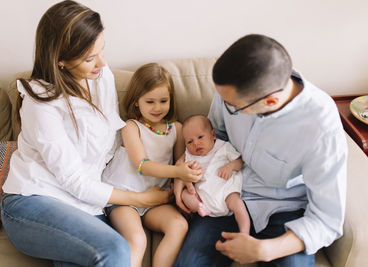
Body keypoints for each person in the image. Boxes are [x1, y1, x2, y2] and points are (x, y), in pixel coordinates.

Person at [0, 1, 171, 266]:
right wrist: (140, 199)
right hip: (34, 202)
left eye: (102, 50)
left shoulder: (102, 78)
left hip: (87, 206)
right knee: (114, 249)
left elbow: (109, 148)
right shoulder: (40, 105)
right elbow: (73, 180)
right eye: (90, 58)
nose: (102, 62)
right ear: (60, 60)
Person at [173, 34, 348, 267]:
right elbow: (215, 135)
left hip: (285, 212)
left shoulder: (321, 127)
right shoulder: (232, 91)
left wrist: (267, 249)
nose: (225, 105)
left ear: (271, 102)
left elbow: (327, 220)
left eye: (232, 106)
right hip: (224, 196)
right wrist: (180, 172)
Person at [101, 63, 202, 267]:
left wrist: (183, 175)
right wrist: (178, 170)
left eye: (163, 101)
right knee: (137, 239)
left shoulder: (177, 129)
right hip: (124, 198)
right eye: (150, 101)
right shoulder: (131, 127)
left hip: (156, 197)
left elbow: (180, 160)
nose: (157, 108)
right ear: (137, 102)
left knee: (178, 225)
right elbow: (142, 165)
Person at [179, 115, 250, 234]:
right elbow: (184, 175)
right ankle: (199, 207)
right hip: (203, 197)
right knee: (185, 194)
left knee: (239, 206)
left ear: (213, 134)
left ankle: (244, 233)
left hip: (226, 191)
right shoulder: (189, 156)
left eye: (200, 137)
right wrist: (190, 175)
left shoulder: (223, 147)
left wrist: (230, 166)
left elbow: (239, 161)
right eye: (190, 142)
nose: (196, 143)